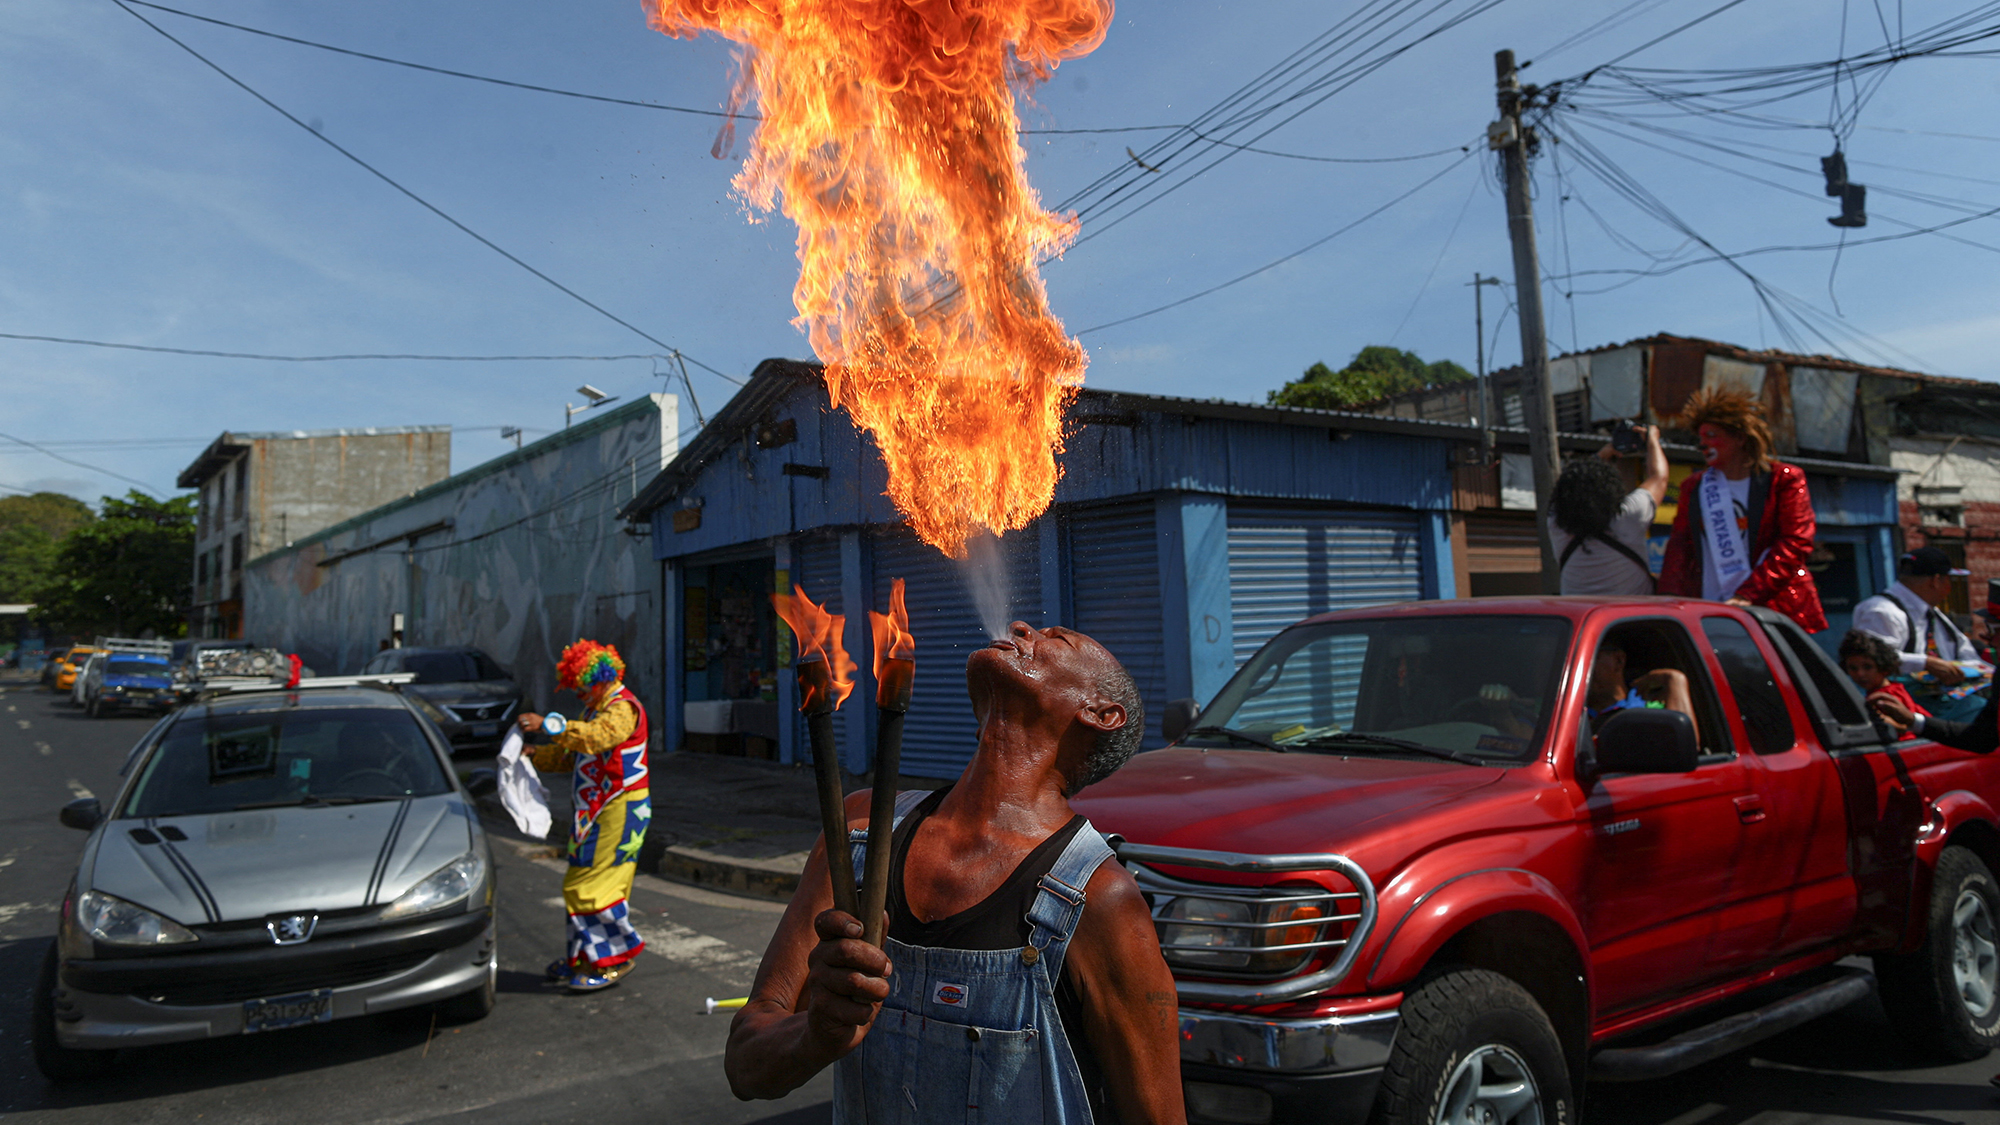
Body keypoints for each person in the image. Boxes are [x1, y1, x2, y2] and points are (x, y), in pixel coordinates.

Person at [723, 622, 1185, 1125]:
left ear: (1100, 713)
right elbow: (747, 1069)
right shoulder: (860, 831)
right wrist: (817, 1035)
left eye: (1058, 638)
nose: (1022, 627)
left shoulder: (1097, 896)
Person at [516, 640, 651, 993]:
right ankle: (584, 957)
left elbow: (597, 738)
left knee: (592, 887)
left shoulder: (622, 709)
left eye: (582, 687)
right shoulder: (597, 710)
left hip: (620, 810)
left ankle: (614, 958)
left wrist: (548, 724)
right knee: (579, 881)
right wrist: (533, 755)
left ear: (602, 677)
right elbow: (572, 756)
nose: (579, 694)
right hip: (594, 813)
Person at [1658, 387, 1828, 632]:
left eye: (1711, 435)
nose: (1702, 445)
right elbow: (1680, 545)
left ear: (1740, 438)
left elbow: (1795, 541)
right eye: (1701, 438)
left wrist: (1747, 595)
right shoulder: (1694, 487)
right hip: (1710, 606)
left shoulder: (1782, 479)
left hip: (1773, 607)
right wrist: (1668, 598)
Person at [1852, 546, 1994, 725]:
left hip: (1945, 701)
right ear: (1936, 581)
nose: (1949, 588)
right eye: (1949, 580)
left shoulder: (1933, 614)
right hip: (1904, 705)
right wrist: (1926, 663)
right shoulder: (1880, 611)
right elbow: (1870, 659)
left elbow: (1964, 650)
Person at [1549, 423, 1670, 596]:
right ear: (1612, 487)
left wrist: (1601, 455)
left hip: (1579, 616)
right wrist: (1652, 439)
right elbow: (1659, 477)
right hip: (1632, 617)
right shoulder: (1628, 516)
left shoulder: (1556, 524)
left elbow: (1574, 485)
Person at [1584, 636, 1697, 739]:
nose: (1580, 669)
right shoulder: (1572, 714)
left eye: (1588, 657)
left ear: (1618, 660)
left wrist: (1674, 679)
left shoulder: (1652, 705)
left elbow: (1685, 743)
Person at [1838, 629, 1927, 740]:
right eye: (1853, 668)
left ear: (1884, 668)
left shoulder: (1887, 696)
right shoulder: (1891, 689)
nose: (1860, 674)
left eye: (1867, 667)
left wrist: (1880, 720)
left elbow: (1903, 727)